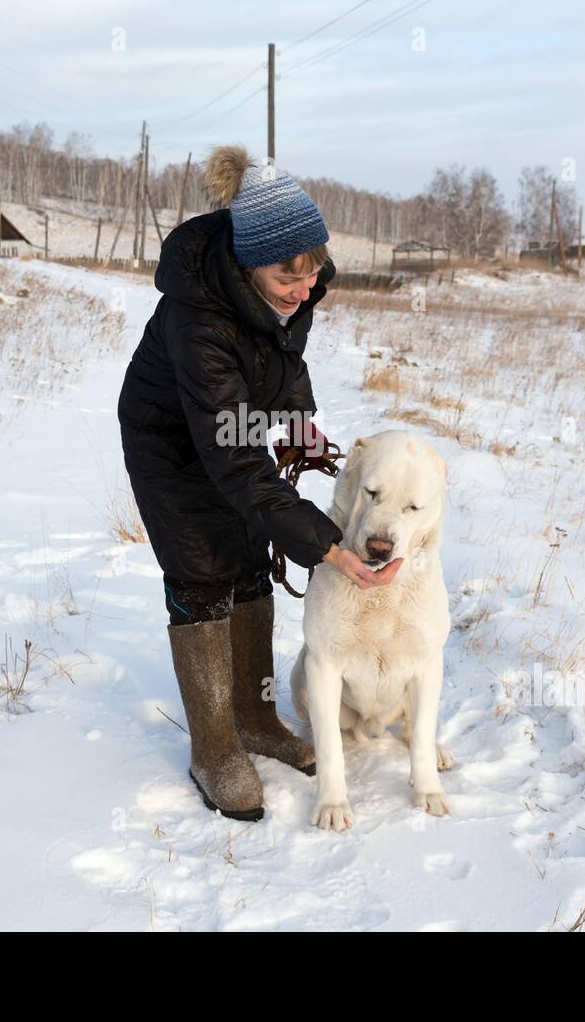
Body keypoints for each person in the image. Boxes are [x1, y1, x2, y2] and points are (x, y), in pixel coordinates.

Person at [116, 144, 401, 820]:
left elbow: (282, 361)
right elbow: (239, 464)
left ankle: (255, 717)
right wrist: (328, 546)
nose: (304, 291)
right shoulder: (199, 319)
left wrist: (305, 432)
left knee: (248, 557)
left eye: (313, 276)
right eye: (288, 279)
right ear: (248, 266)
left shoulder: (289, 283)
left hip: (229, 428)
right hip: (169, 441)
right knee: (202, 571)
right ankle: (214, 747)